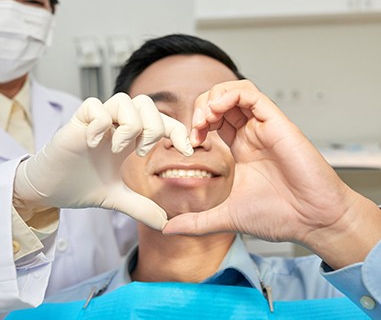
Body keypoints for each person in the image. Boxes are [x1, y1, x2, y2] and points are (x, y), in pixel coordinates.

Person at [18, 34, 378, 319]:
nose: (190, 140)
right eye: (158, 117)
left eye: (218, 120)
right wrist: (23, 196)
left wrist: (337, 221)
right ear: (117, 148)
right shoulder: (48, 310)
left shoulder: (345, 295)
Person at [0, 0, 142, 309]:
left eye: (31, 0)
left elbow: (131, 232)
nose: (7, 10)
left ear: (50, 18)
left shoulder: (82, 115)